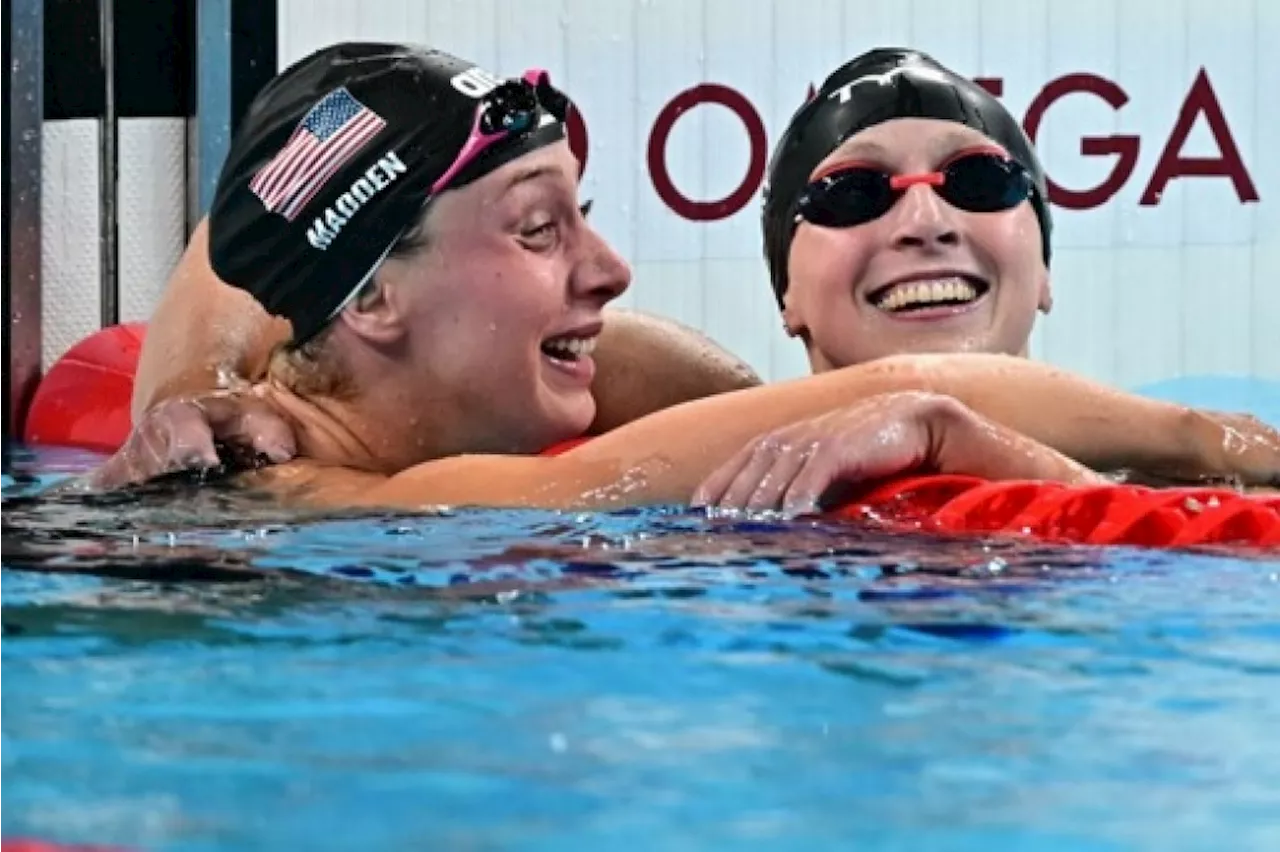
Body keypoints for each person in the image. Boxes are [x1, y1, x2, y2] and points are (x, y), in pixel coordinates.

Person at [76, 42, 1280, 514]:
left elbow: (255, 238)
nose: (607, 271)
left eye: (977, 182)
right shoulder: (360, 502)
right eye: (541, 229)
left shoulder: (276, 419)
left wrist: (215, 378)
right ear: (785, 288)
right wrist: (1218, 444)